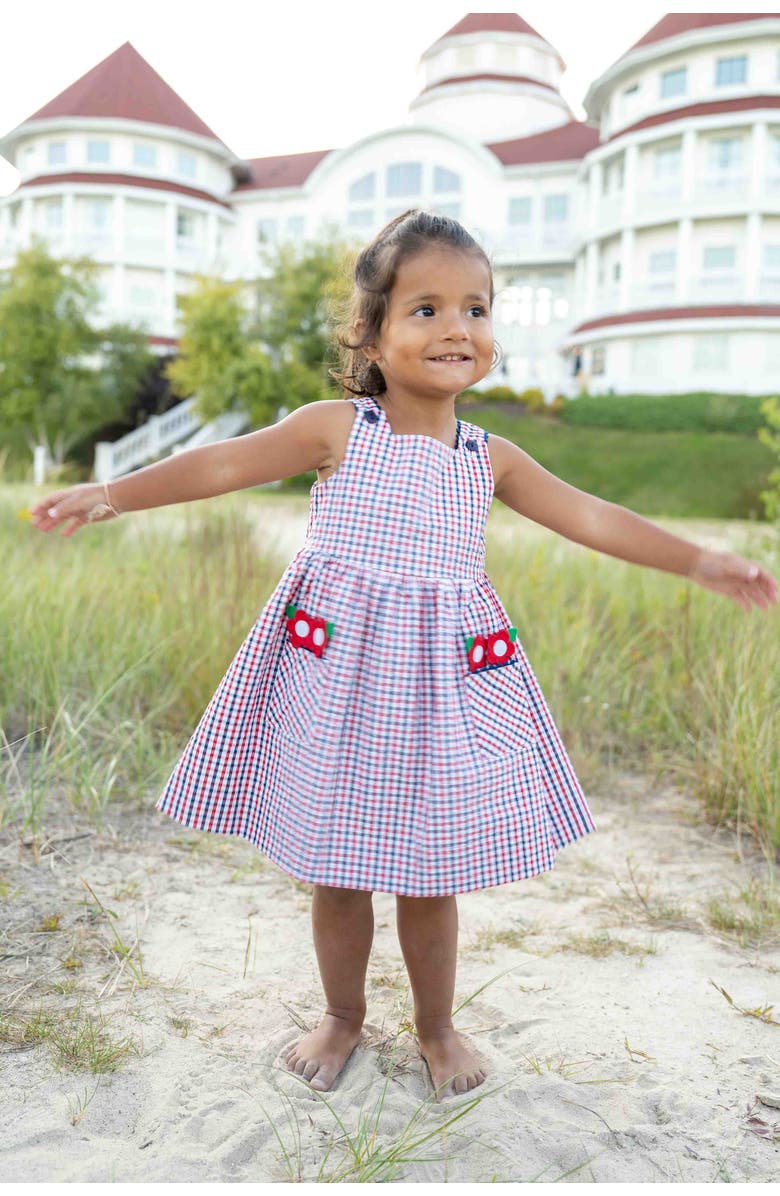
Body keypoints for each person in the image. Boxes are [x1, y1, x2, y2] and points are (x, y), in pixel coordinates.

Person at [29, 209, 778, 1103]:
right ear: (372, 334)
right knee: (337, 868)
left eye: (476, 308)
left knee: (433, 873)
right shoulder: (338, 430)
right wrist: (111, 493)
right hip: (335, 681)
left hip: (443, 692)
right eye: (426, 309)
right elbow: (224, 464)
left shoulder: (491, 458)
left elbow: (593, 517)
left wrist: (702, 560)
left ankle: (435, 1025)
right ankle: (342, 1016)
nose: (457, 327)